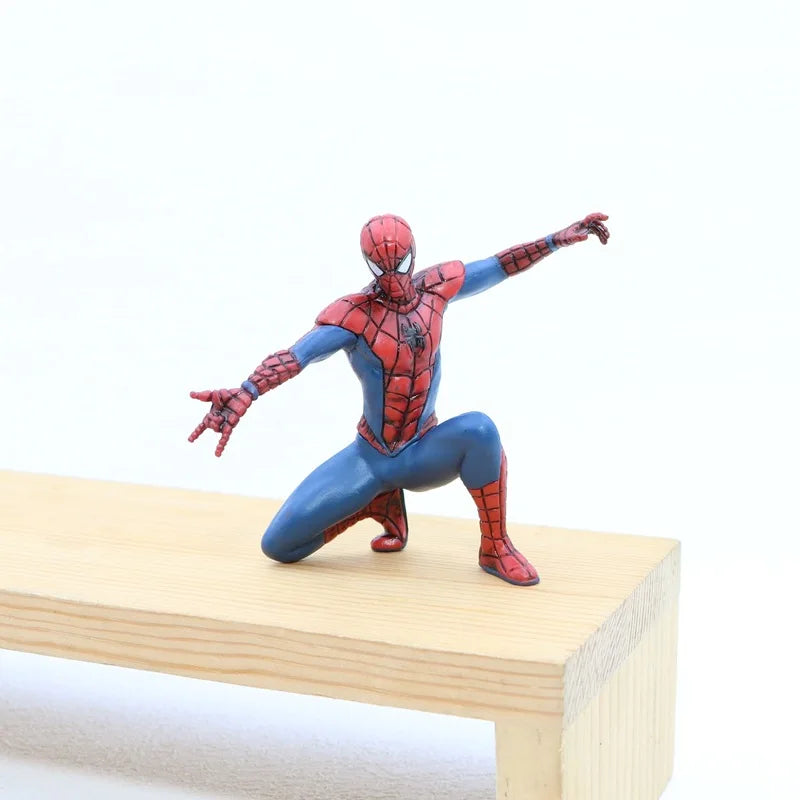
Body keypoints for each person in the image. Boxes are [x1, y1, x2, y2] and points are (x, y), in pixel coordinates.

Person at [189, 212, 610, 586]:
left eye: (401, 264)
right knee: (280, 545)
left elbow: (498, 265)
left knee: (480, 430)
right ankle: (376, 502)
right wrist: (248, 390)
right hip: (371, 456)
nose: (393, 277)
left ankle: (495, 546)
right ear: (368, 264)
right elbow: (298, 355)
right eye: (381, 267)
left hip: (423, 450)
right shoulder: (355, 315)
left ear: (413, 255)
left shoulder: (437, 287)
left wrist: (554, 241)